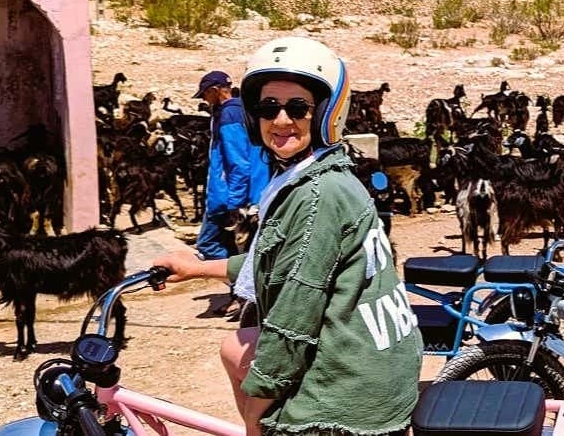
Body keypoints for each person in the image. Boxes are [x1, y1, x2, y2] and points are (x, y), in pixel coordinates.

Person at [152, 37, 421, 436]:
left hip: (353, 397)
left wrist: (254, 418)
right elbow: (277, 258)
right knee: (234, 346)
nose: (280, 120)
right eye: (267, 107)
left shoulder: (316, 197)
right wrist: (195, 269)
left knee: (258, 397)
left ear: (326, 113)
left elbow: (291, 323)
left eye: (298, 108)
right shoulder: (326, 174)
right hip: (378, 358)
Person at [193, 70, 271, 319]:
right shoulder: (242, 109)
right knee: (242, 247)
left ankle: (245, 292)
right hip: (251, 192)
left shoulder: (228, 114)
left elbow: (237, 162)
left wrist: (235, 202)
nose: (205, 100)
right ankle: (244, 295)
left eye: (205, 94)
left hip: (228, 196)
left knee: (208, 243)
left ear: (215, 90)